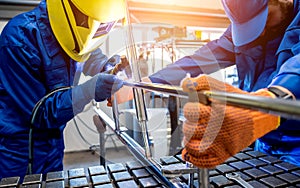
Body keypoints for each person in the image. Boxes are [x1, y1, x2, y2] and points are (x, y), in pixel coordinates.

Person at [131, 0, 300, 168]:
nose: (260, 33)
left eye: (267, 18)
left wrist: (271, 101)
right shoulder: (243, 29)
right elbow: (202, 58)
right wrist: (151, 81)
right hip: (261, 142)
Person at [0, 0, 126, 180]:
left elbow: (90, 55)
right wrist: (88, 91)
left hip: (54, 144)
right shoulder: (20, 39)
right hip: (19, 150)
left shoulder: (81, 33)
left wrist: (108, 67)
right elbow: (39, 115)